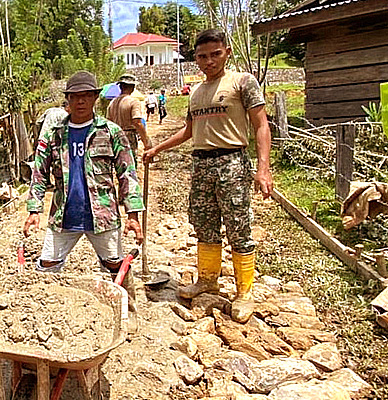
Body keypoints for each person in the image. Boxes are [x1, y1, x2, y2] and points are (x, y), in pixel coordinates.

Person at [143, 29, 273, 324]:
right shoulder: (197, 92)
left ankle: (244, 293)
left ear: (227, 52)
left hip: (232, 161)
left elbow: (261, 126)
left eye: (215, 54)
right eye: (202, 56)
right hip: (201, 164)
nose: (209, 61)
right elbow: (189, 132)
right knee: (204, 225)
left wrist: (263, 168)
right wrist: (157, 149)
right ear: (195, 59)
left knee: (238, 226)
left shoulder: (242, 83)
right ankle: (208, 280)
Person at [23, 70, 144, 315]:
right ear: (67, 99)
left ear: (95, 98)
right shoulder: (54, 134)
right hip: (64, 215)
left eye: (86, 95)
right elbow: (39, 173)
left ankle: (127, 309)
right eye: (75, 96)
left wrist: (133, 214)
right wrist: (34, 209)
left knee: (115, 264)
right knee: (47, 264)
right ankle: (45, 312)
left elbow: (127, 173)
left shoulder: (111, 132)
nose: (80, 101)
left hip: (102, 216)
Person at [107, 73, 152, 155]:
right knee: (130, 163)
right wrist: (146, 141)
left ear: (120, 87)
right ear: (133, 88)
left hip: (114, 136)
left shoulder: (112, 102)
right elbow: (137, 122)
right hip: (128, 137)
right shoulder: (134, 102)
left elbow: (109, 122)